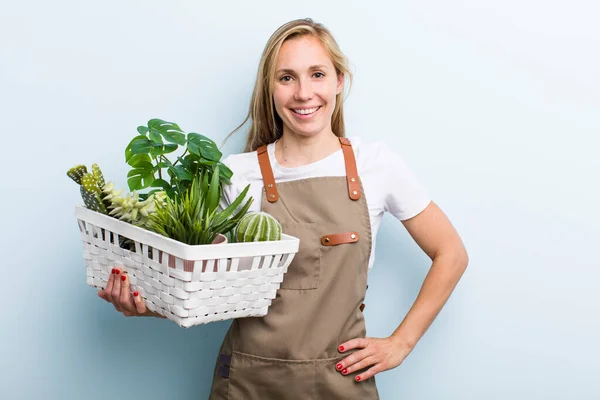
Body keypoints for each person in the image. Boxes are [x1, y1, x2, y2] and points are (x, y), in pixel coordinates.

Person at [98, 18, 468, 400]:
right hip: (246, 384)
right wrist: (143, 305)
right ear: (270, 89)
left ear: (339, 82)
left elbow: (451, 254)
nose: (304, 92)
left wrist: (401, 344)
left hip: (340, 382)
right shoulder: (235, 176)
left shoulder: (375, 165)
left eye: (318, 74)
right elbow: (205, 290)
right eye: (286, 78)